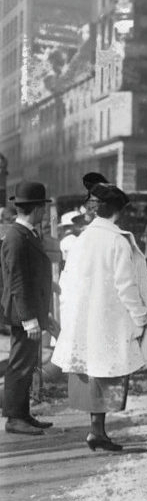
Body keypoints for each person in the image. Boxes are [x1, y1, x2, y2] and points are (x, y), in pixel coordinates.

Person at [53, 184, 147, 452]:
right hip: (109, 319)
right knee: (107, 373)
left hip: (85, 317)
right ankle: (97, 432)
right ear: (117, 211)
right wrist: (140, 316)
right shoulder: (116, 240)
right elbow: (126, 286)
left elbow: (67, 282)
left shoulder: (82, 238)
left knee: (93, 373)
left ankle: (97, 431)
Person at [1, 181, 55, 435]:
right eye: (43, 207)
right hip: (23, 312)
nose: (44, 212)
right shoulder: (16, 237)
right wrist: (29, 319)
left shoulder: (27, 233)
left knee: (27, 361)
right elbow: (17, 281)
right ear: (36, 208)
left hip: (30, 310)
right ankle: (13, 418)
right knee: (20, 364)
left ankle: (22, 413)